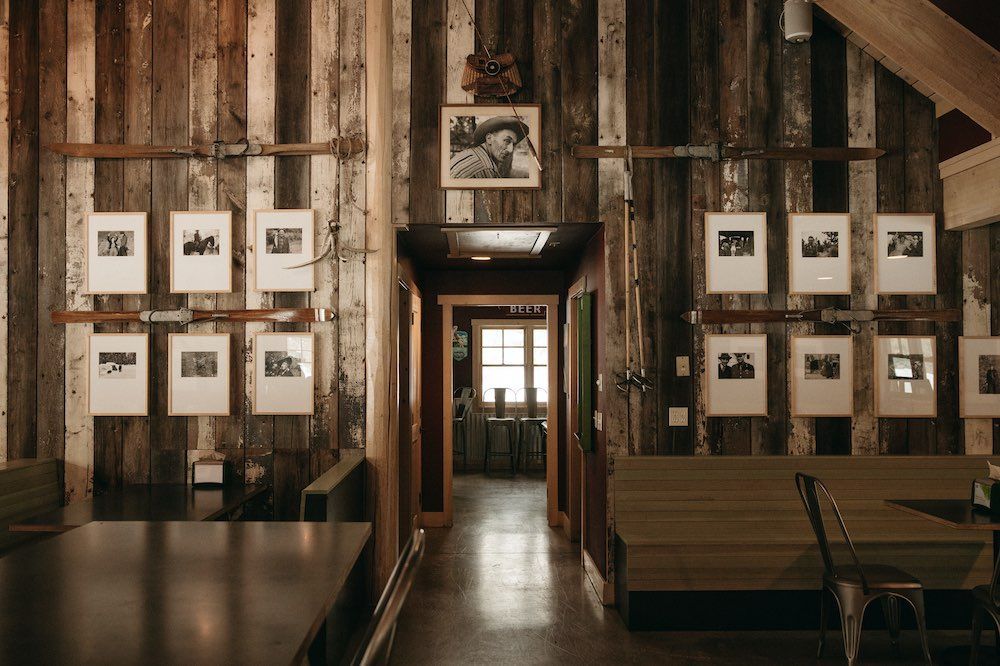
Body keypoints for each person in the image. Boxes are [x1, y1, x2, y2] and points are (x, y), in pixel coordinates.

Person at [449, 116, 527, 179]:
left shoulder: (472, 153)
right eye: (507, 141)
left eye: (513, 144)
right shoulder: (486, 168)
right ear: (489, 138)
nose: (510, 150)